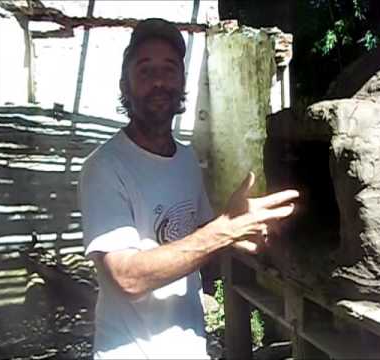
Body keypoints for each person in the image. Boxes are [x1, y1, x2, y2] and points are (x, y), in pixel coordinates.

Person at [79, 18, 299, 359]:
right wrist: (223, 230)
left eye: (169, 69)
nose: (158, 82)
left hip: (189, 346)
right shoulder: (104, 168)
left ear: (182, 81)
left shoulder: (185, 159)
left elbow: (194, 240)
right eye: (145, 70)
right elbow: (126, 277)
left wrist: (241, 235)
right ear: (125, 84)